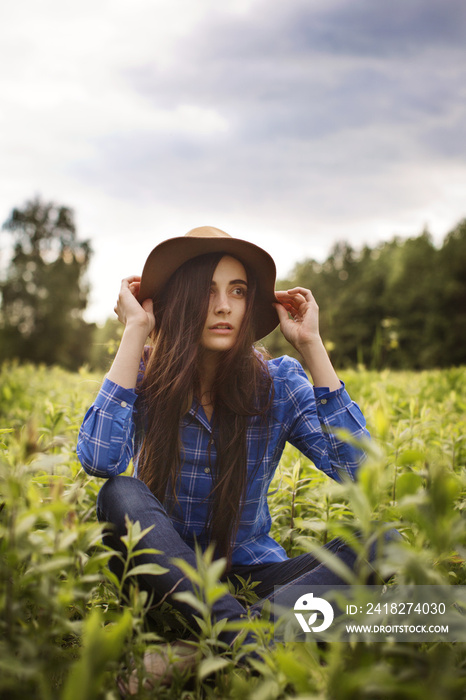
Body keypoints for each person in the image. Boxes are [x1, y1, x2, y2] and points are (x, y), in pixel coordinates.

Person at [77, 226, 373, 690]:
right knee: (121, 492)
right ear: (180, 301)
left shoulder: (278, 382)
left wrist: (313, 347)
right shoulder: (144, 372)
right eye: (208, 291)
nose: (223, 306)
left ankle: (203, 647)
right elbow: (99, 459)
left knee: (382, 542)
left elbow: (363, 472)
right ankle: (256, 639)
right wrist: (136, 330)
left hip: (252, 576)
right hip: (162, 582)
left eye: (237, 291)